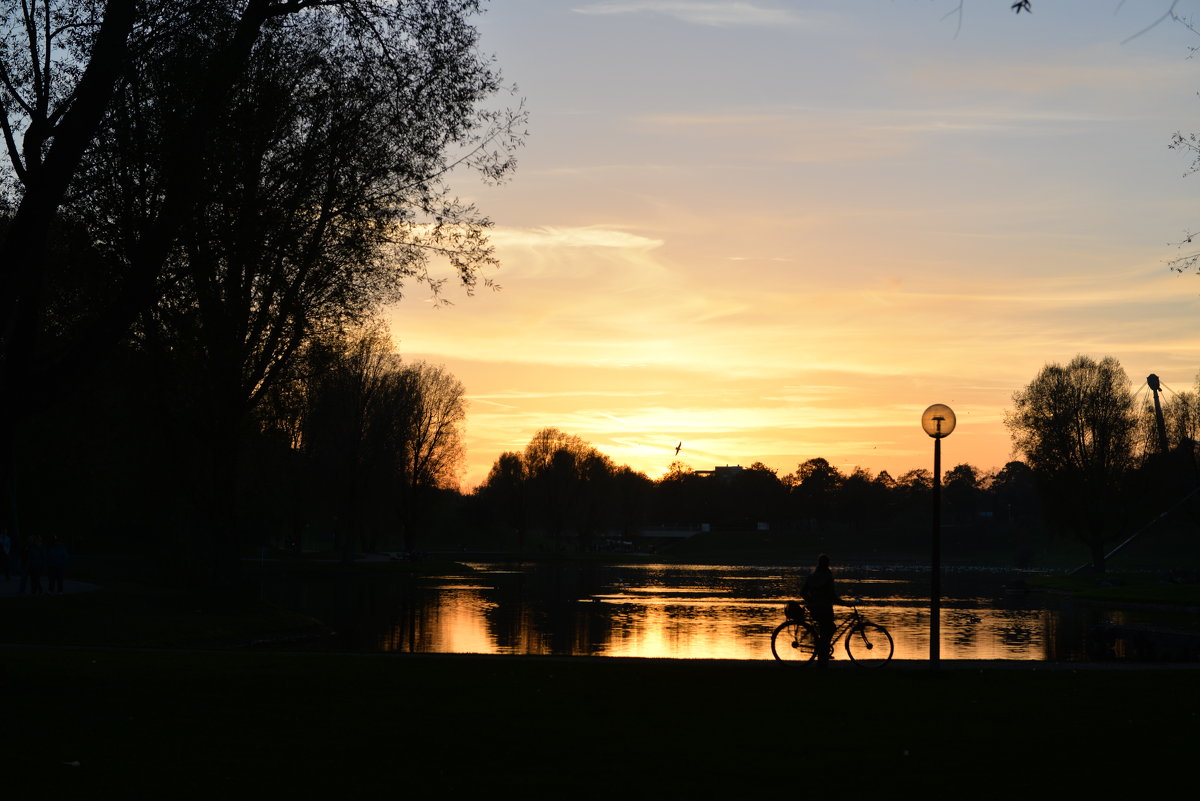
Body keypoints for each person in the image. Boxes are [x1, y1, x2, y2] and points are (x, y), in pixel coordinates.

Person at [801, 553, 840, 663]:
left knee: (824, 630)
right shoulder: (828, 577)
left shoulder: (812, 576)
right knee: (830, 628)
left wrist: (811, 602)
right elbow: (833, 596)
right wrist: (846, 603)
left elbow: (802, 592)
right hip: (826, 610)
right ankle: (823, 652)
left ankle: (822, 651)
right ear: (827, 564)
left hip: (815, 610)